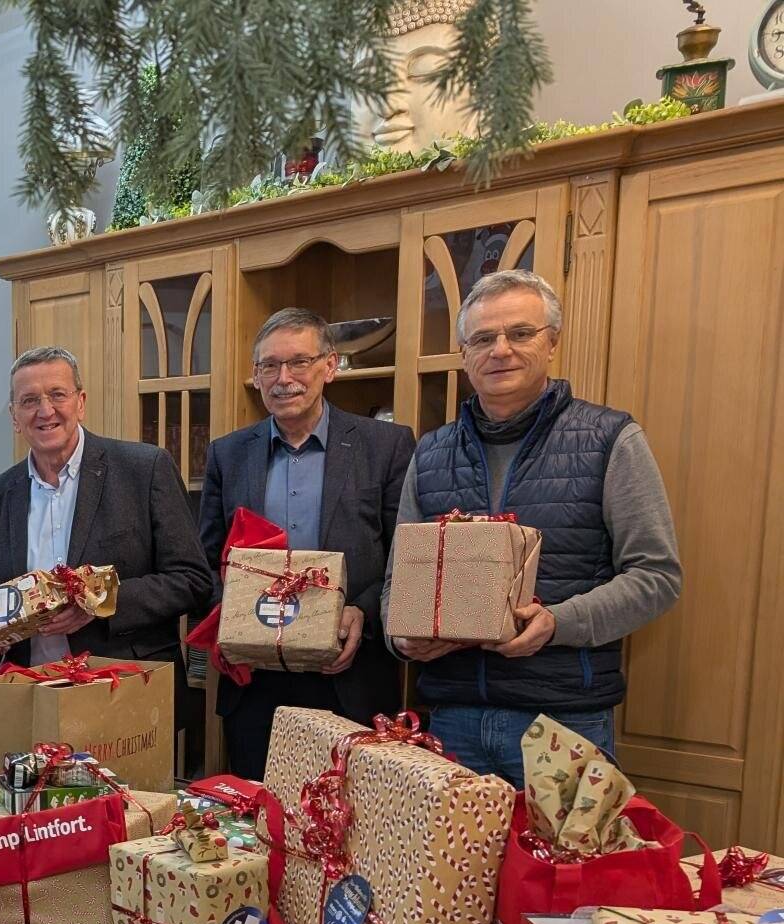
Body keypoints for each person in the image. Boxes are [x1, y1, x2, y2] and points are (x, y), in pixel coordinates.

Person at [383, 270, 681, 784]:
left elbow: (656, 577)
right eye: (482, 338)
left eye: (520, 333)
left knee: (564, 868)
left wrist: (558, 623)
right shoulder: (429, 451)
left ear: (552, 344)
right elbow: (398, 582)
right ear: (463, 353)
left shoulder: (611, 439)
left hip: (565, 721)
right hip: (451, 719)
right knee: (455, 869)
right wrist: (401, 637)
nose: (500, 350)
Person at [198, 307, 414, 779]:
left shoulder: (387, 446)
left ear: (329, 367)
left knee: (351, 828)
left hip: (349, 675)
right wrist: (227, 623)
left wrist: (366, 611)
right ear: (255, 377)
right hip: (256, 683)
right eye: (269, 366)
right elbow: (208, 561)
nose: (284, 378)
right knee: (259, 820)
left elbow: (407, 559)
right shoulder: (227, 454)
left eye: (299, 362)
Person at [0, 346, 211, 672]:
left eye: (57, 394)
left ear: (80, 403)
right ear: (14, 416)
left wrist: (100, 603)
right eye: (29, 400)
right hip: (31, 694)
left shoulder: (145, 469)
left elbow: (193, 581)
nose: (45, 410)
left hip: (127, 688)